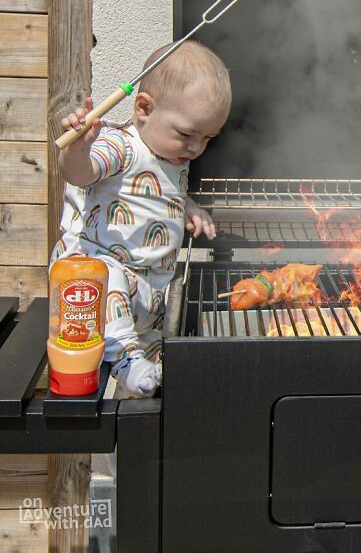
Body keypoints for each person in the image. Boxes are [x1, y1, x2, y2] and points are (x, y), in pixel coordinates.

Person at [50, 41, 231, 396]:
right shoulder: (121, 145)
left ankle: (141, 385)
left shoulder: (172, 156)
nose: (196, 148)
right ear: (144, 109)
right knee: (109, 281)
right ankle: (127, 359)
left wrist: (189, 207)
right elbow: (80, 173)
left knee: (151, 378)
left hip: (151, 284)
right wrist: (79, 147)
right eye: (186, 134)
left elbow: (167, 193)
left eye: (207, 138)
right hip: (95, 277)